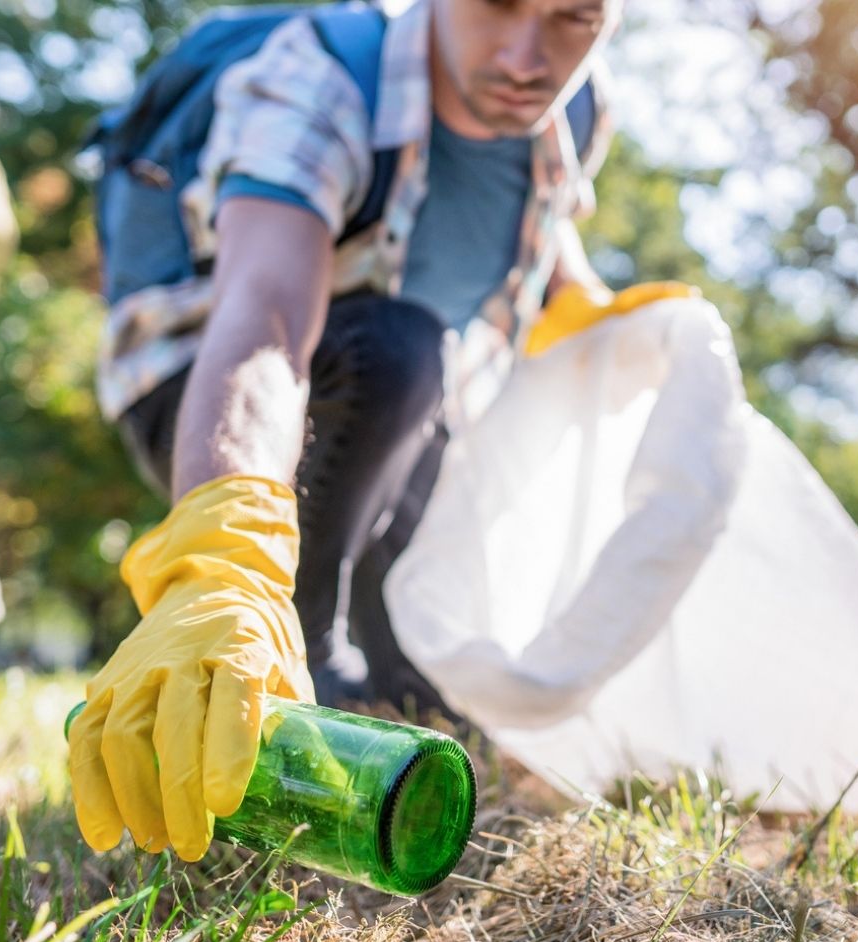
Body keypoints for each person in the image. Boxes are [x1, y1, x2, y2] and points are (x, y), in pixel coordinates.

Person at [69, 0, 693, 861]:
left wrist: (592, 310)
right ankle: (298, 646)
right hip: (213, 394)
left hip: (416, 421)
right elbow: (266, 322)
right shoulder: (320, 76)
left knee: (422, 689)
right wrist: (226, 557)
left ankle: (378, 687)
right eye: (498, 8)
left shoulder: (581, 109)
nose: (525, 58)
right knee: (400, 350)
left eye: (571, 19)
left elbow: (544, 233)